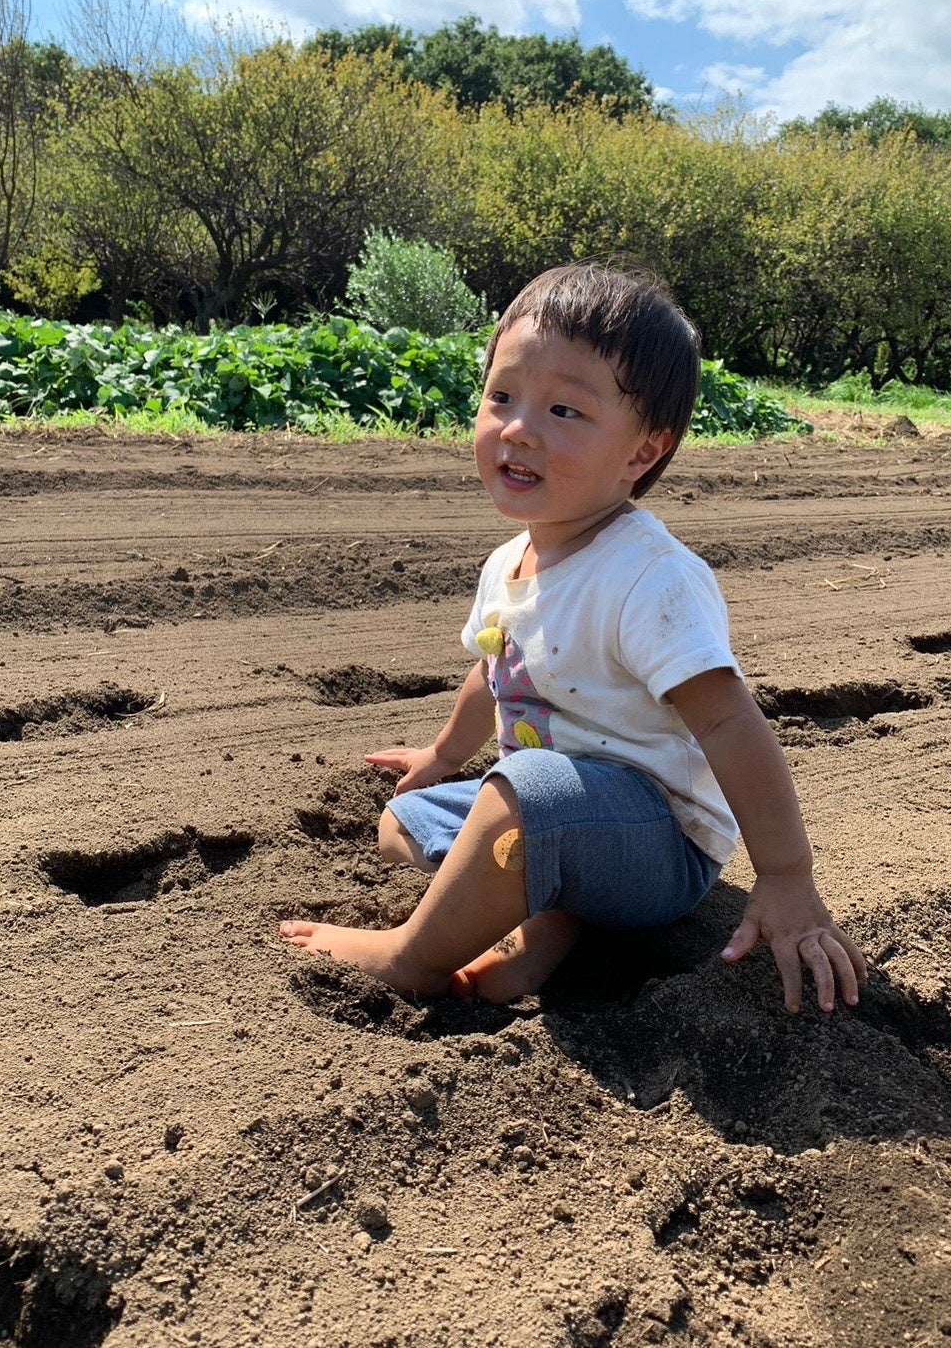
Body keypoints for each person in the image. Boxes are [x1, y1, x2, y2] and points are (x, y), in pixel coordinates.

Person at [281, 259, 867, 1012]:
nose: (518, 428)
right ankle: (554, 913)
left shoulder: (648, 577)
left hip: (657, 841)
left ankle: (411, 958)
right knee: (405, 820)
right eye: (501, 396)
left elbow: (728, 721)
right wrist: (441, 756)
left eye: (564, 411)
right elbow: (492, 670)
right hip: (549, 807)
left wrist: (785, 877)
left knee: (526, 798)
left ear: (641, 451)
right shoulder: (507, 562)